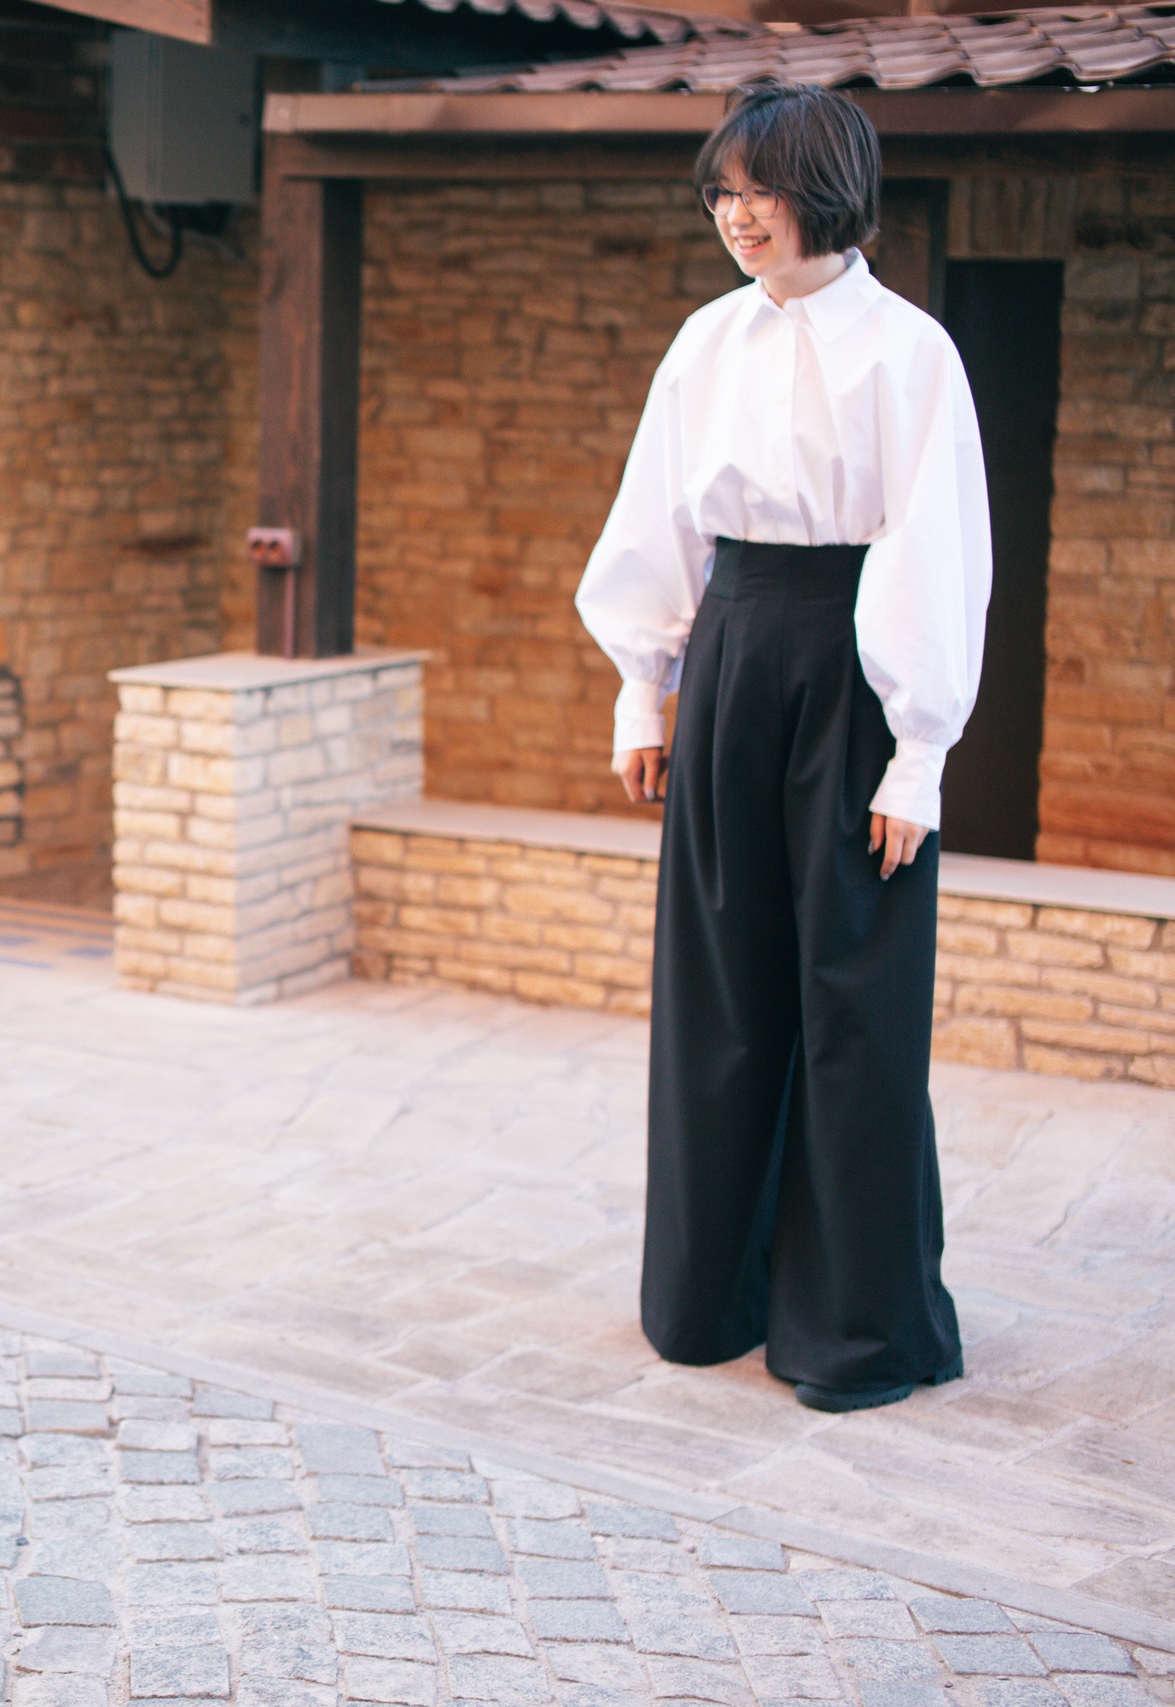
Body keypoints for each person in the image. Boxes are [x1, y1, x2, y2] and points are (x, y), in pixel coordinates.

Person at [574, 82, 991, 1413]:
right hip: (735, 653)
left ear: (826, 189)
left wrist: (918, 755)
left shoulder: (911, 353)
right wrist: (646, 693)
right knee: (720, 985)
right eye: (721, 192)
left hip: (858, 670)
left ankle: (858, 1325)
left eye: (760, 189)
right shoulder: (706, 344)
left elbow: (940, 555)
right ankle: (710, 1296)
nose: (737, 216)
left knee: (854, 999)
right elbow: (658, 525)